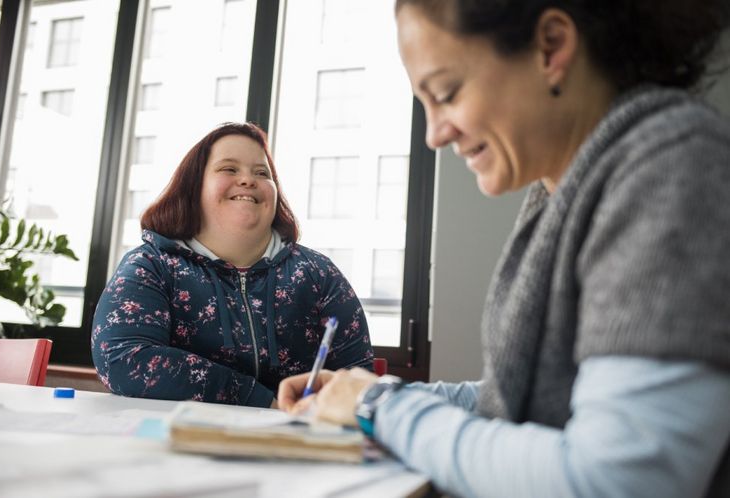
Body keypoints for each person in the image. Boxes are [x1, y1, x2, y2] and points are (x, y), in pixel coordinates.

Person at [278, 1, 730, 496]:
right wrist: (367, 395)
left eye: (447, 93)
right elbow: (524, 398)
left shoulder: (669, 170)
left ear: (551, 47)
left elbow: (619, 480)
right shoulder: (562, 191)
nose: (433, 134)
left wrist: (381, 408)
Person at [92, 122, 373, 408]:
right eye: (229, 169)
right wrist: (262, 400)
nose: (248, 180)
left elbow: (359, 380)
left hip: (295, 440)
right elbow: (123, 358)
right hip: (178, 440)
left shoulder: (319, 274)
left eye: (261, 173)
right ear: (194, 187)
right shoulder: (152, 265)